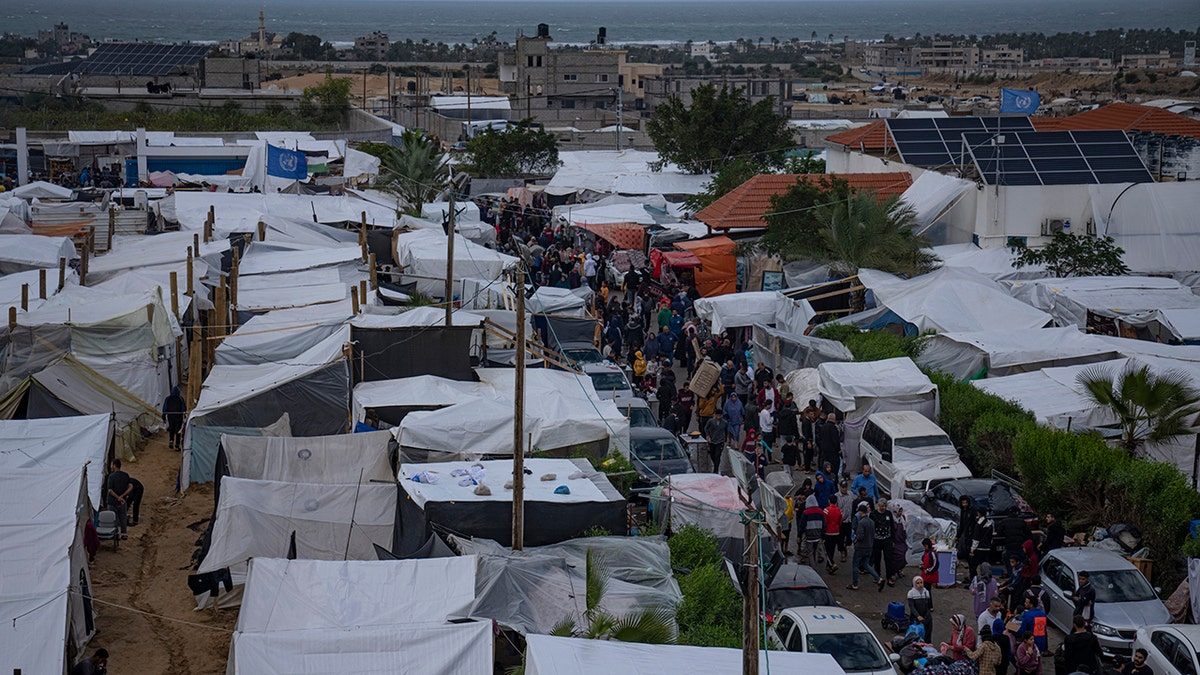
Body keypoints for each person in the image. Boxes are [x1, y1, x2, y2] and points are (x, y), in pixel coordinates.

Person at [849, 502, 884, 591]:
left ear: (861, 512)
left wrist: (855, 540)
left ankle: (855, 584)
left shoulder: (861, 523)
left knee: (855, 565)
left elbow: (860, 536)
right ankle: (878, 578)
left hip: (861, 547)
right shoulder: (872, 522)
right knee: (866, 564)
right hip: (869, 546)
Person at [871, 500, 898, 585]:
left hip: (887, 540)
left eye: (885, 506)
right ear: (878, 505)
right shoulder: (873, 514)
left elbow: (892, 527)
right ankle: (877, 576)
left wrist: (893, 540)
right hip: (877, 540)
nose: (884, 508)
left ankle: (889, 577)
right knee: (877, 559)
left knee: (888, 559)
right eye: (882, 506)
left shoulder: (888, 514)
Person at [106, 459, 132, 539]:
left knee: (114, 518)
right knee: (123, 517)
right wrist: (122, 496)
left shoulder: (111, 476)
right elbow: (130, 486)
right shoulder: (125, 475)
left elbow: (110, 490)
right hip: (123, 501)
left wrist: (117, 497)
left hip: (112, 501)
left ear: (114, 465)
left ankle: (116, 534)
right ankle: (124, 533)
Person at [907, 575, 935, 642]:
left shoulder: (926, 592)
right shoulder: (911, 593)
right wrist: (918, 616)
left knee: (927, 633)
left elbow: (928, 605)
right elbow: (911, 606)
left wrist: (926, 616)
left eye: (921, 582)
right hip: (915, 618)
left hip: (926, 616)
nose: (920, 585)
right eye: (918, 583)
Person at [801, 494, 825, 563]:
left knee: (810, 552)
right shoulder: (820, 511)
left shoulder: (806, 512)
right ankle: (814, 564)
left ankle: (812, 567)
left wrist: (799, 535)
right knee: (814, 551)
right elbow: (823, 525)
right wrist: (823, 536)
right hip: (817, 535)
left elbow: (802, 525)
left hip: (809, 535)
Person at [956, 496, 976, 580]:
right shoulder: (963, 512)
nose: (964, 505)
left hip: (970, 536)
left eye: (966, 503)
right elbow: (962, 525)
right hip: (965, 536)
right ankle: (971, 576)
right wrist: (958, 535)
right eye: (963, 503)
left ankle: (973, 577)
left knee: (971, 559)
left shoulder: (971, 512)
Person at [835, 480, 855, 563]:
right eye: (842, 487)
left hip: (850, 520)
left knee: (849, 539)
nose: (844, 489)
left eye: (845, 487)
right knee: (840, 538)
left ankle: (845, 546)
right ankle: (842, 552)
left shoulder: (851, 494)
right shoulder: (836, 496)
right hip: (841, 521)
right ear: (840, 487)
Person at [823, 495, 842, 574]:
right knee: (832, 548)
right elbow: (840, 522)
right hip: (836, 531)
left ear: (829, 501)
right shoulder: (839, 510)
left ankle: (832, 563)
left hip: (828, 531)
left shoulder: (826, 510)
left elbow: (825, 522)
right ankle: (829, 564)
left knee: (827, 549)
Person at [163, 385, 186, 450]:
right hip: (178, 416)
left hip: (170, 416)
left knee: (171, 428)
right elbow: (183, 407)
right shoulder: (180, 398)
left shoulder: (168, 398)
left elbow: (165, 407)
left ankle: (171, 441)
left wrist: (164, 415)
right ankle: (177, 445)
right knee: (178, 430)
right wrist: (184, 414)